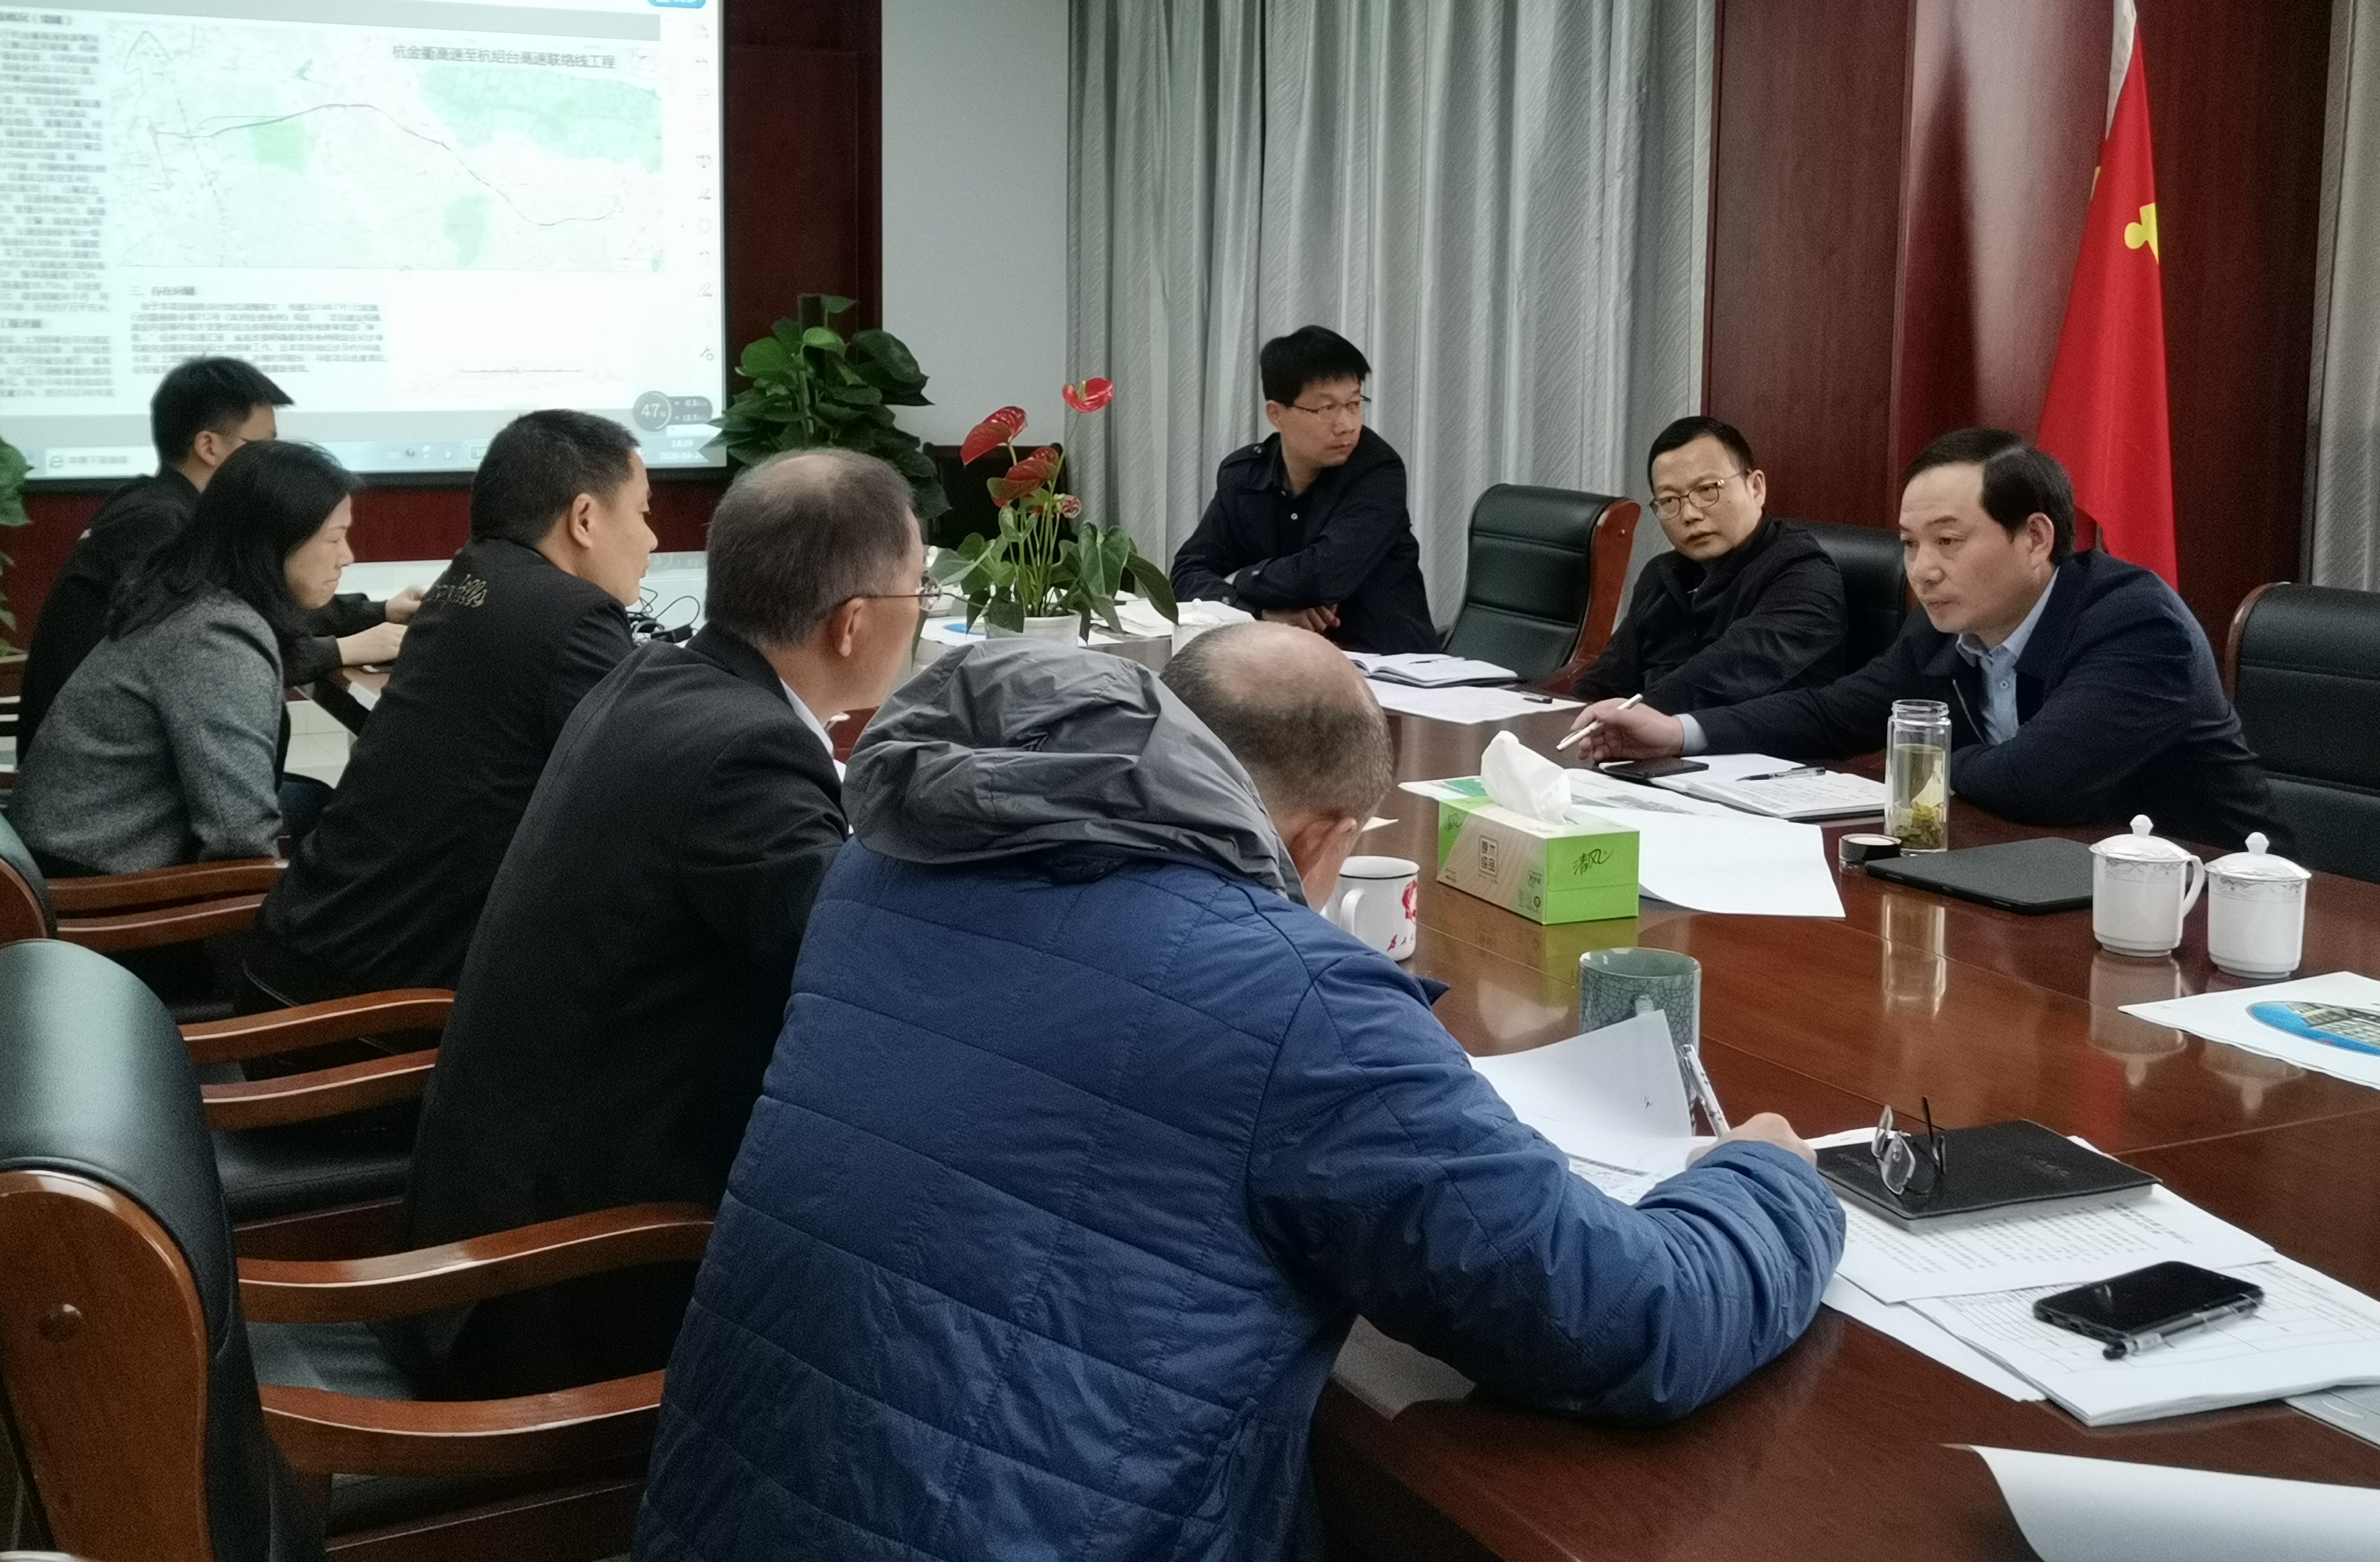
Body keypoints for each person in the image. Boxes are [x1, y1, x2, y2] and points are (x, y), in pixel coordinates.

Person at [632, 623, 1843, 1561]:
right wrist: (1769, 1180)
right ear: (1323, 841)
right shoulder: (1297, 998)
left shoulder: (883, 875)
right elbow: (1625, 1320)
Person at [393, 448, 926, 1398]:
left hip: (494, 1219)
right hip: (558, 1295)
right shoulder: (747, 753)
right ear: (852, 623)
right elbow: (869, 976)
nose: (921, 614)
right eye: (919, 592)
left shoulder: (659, 681)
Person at [1584, 430, 2288, 848]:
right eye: (1910, 543)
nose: (1922, 570)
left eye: (1948, 541)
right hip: (2041, 875)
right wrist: (1678, 731)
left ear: (2035, 538)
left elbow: (2037, 782)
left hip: (2211, 906)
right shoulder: (1948, 623)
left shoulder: (2136, 626)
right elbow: (1837, 711)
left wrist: (1911, 761)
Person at [243, 412, 654, 1007]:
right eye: (642, 512)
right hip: (370, 1011)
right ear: (584, 519)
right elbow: (655, 788)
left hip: (300, 951)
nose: (651, 539)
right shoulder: (572, 614)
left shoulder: (468, 576)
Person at [17, 357, 414, 752]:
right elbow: (214, 652)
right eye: (264, 445)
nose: (274, 459)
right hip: (99, 762)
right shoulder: (157, 525)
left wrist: (381, 611)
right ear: (208, 446)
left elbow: (255, 609)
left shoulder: (171, 507)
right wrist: (346, 649)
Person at [11, 440, 365, 880]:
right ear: (275, 542)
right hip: (96, 884)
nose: (347, 557)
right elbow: (240, 842)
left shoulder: (189, 593)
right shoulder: (215, 637)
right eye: (334, 538)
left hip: (84, 843)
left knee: (321, 810)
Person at [1169, 324, 1435, 654]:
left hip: (1385, 665)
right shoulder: (1244, 477)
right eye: (1327, 409)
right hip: (1282, 662)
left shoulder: (1377, 471)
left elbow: (1323, 576)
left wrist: (1240, 578)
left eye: (1354, 404)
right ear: (1276, 414)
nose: (1347, 425)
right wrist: (1259, 613)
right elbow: (1187, 574)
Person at [1572, 416, 1847, 710]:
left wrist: (1628, 717)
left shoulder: (1805, 574)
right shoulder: (1662, 575)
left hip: (1755, 737)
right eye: (1669, 501)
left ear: (1756, 488)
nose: (1689, 515)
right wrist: (1567, 715)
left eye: (1707, 490)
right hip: (1646, 732)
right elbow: (1606, 682)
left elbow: (1721, 677)